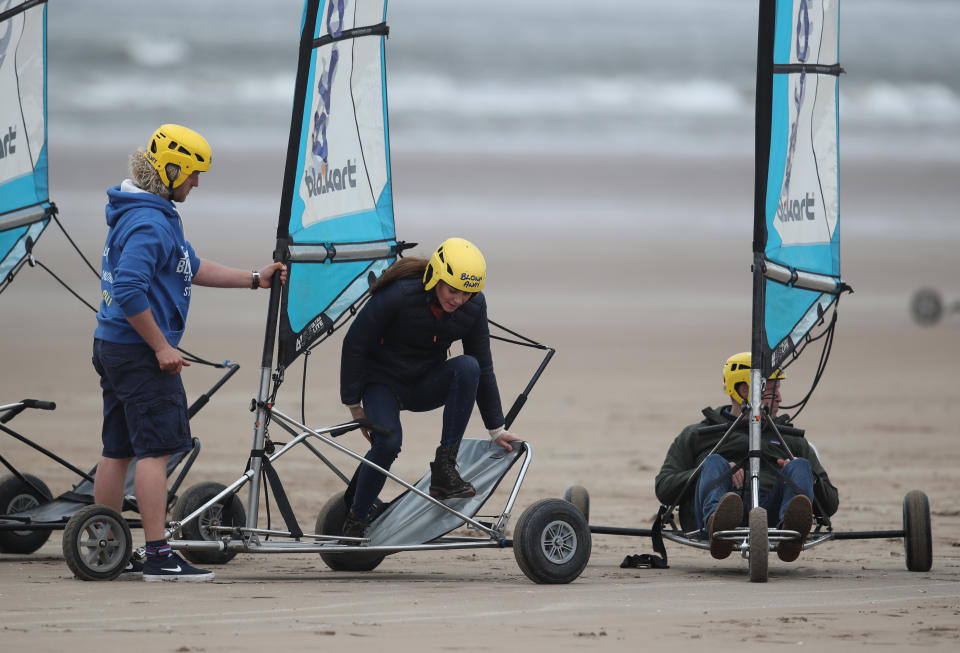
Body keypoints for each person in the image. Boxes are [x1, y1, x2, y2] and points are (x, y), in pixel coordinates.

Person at [92, 124, 287, 582]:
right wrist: (161, 346)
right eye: (193, 175)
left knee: (118, 449)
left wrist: (254, 279)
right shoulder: (148, 222)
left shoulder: (151, 213)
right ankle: (159, 554)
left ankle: (105, 546)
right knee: (156, 451)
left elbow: (190, 266)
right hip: (139, 353)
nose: (196, 184)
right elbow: (129, 289)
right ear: (171, 169)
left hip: (115, 347)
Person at [339, 237, 524, 537]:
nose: (459, 300)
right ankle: (355, 520)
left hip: (424, 383)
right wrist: (354, 405)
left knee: (468, 367)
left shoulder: (473, 307)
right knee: (387, 443)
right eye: (453, 290)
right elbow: (354, 343)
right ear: (436, 276)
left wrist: (497, 429)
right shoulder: (399, 294)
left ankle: (444, 469)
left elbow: (483, 367)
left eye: (468, 293)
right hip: (382, 383)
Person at [655, 352, 838, 562]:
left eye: (778, 390)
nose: (780, 398)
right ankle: (718, 524)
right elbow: (664, 488)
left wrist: (804, 478)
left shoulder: (792, 439)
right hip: (716, 507)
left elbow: (830, 504)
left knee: (801, 466)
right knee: (714, 462)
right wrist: (710, 472)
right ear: (744, 390)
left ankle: (791, 534)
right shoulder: (695, 435)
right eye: (772, 390)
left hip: (774, 512)